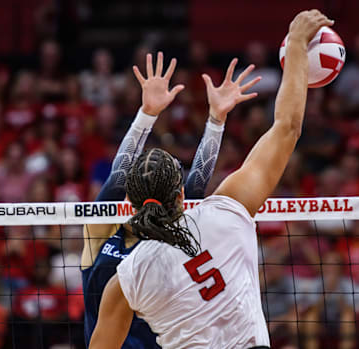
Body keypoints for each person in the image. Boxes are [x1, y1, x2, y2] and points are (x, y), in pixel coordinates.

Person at [89, 10, 332, 348]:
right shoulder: (226, 211)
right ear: (181, 196)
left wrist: (153, 115)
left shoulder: (126, 278)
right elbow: (287, 128)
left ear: (128, 203)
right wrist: (295, 46)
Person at [81, 51, 245, 348]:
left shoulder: (101, 233)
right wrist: (216, 119)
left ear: (128, 197)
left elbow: (115, 179)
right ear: (179, 198)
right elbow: (197, 183)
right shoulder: (179, 237)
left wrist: (147, 114)